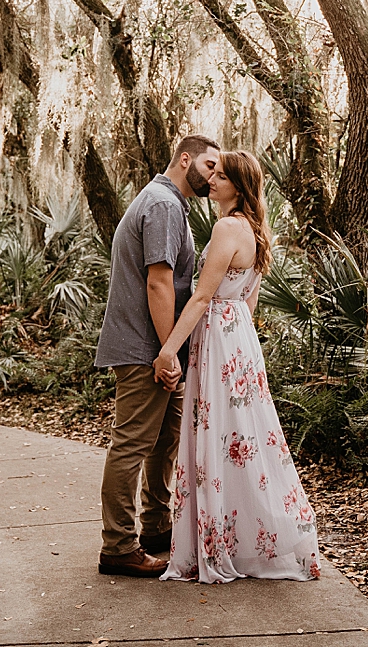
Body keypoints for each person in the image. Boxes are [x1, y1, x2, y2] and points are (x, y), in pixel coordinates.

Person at [154, 151, 321, 583]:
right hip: (239, 338)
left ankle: (222, 541)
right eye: (214, 173)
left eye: (222, 176)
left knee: (222, 434)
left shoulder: (228, 226)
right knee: (241, 434)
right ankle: (245, 538)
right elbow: (248, 301)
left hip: (219, 339)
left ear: (240, 187)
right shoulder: (256, 229)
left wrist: (169, 350)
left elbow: (203, 297)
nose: (213, 180)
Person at [95, 134, 221, 577]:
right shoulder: (164, 205)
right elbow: (158, 282)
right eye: (208, 165)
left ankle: (153, 527)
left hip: (160, 347)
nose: (213, 175)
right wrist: (168, 352)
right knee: (132, 445)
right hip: (146, 347)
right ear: (184, 159)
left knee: (164, 444)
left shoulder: (168, 203)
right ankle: (117, 547)